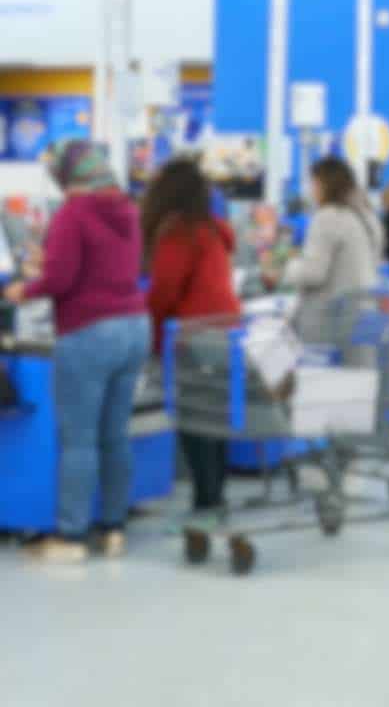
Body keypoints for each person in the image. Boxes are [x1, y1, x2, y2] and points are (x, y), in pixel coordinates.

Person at [4, 140, 150, 562]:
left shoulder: (72, 213)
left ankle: (70, 538)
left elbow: (61, 281)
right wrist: (48, 266)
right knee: (114, 435)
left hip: (89, 332)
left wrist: (23, 289)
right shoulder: (127, 208)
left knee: (79, 440)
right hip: (134, 326)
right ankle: (114, 528)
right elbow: (102, 265)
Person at [142, 158, 241, 512]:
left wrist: (150, 336)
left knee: (193, 418)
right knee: (215, 417)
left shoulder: (177, 232)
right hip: (226, 332)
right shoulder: (213, 230)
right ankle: (214, 496)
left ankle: (205, 500)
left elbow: (165, 291)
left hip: (193, 335)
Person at [284, 156, 383, 345]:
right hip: (365, 312)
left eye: (312, 184)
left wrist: (287, 269)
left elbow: (314, 273)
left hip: (331, 319)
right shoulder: (368, 217)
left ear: (323, 184)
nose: (310, 190)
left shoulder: (327, 217)